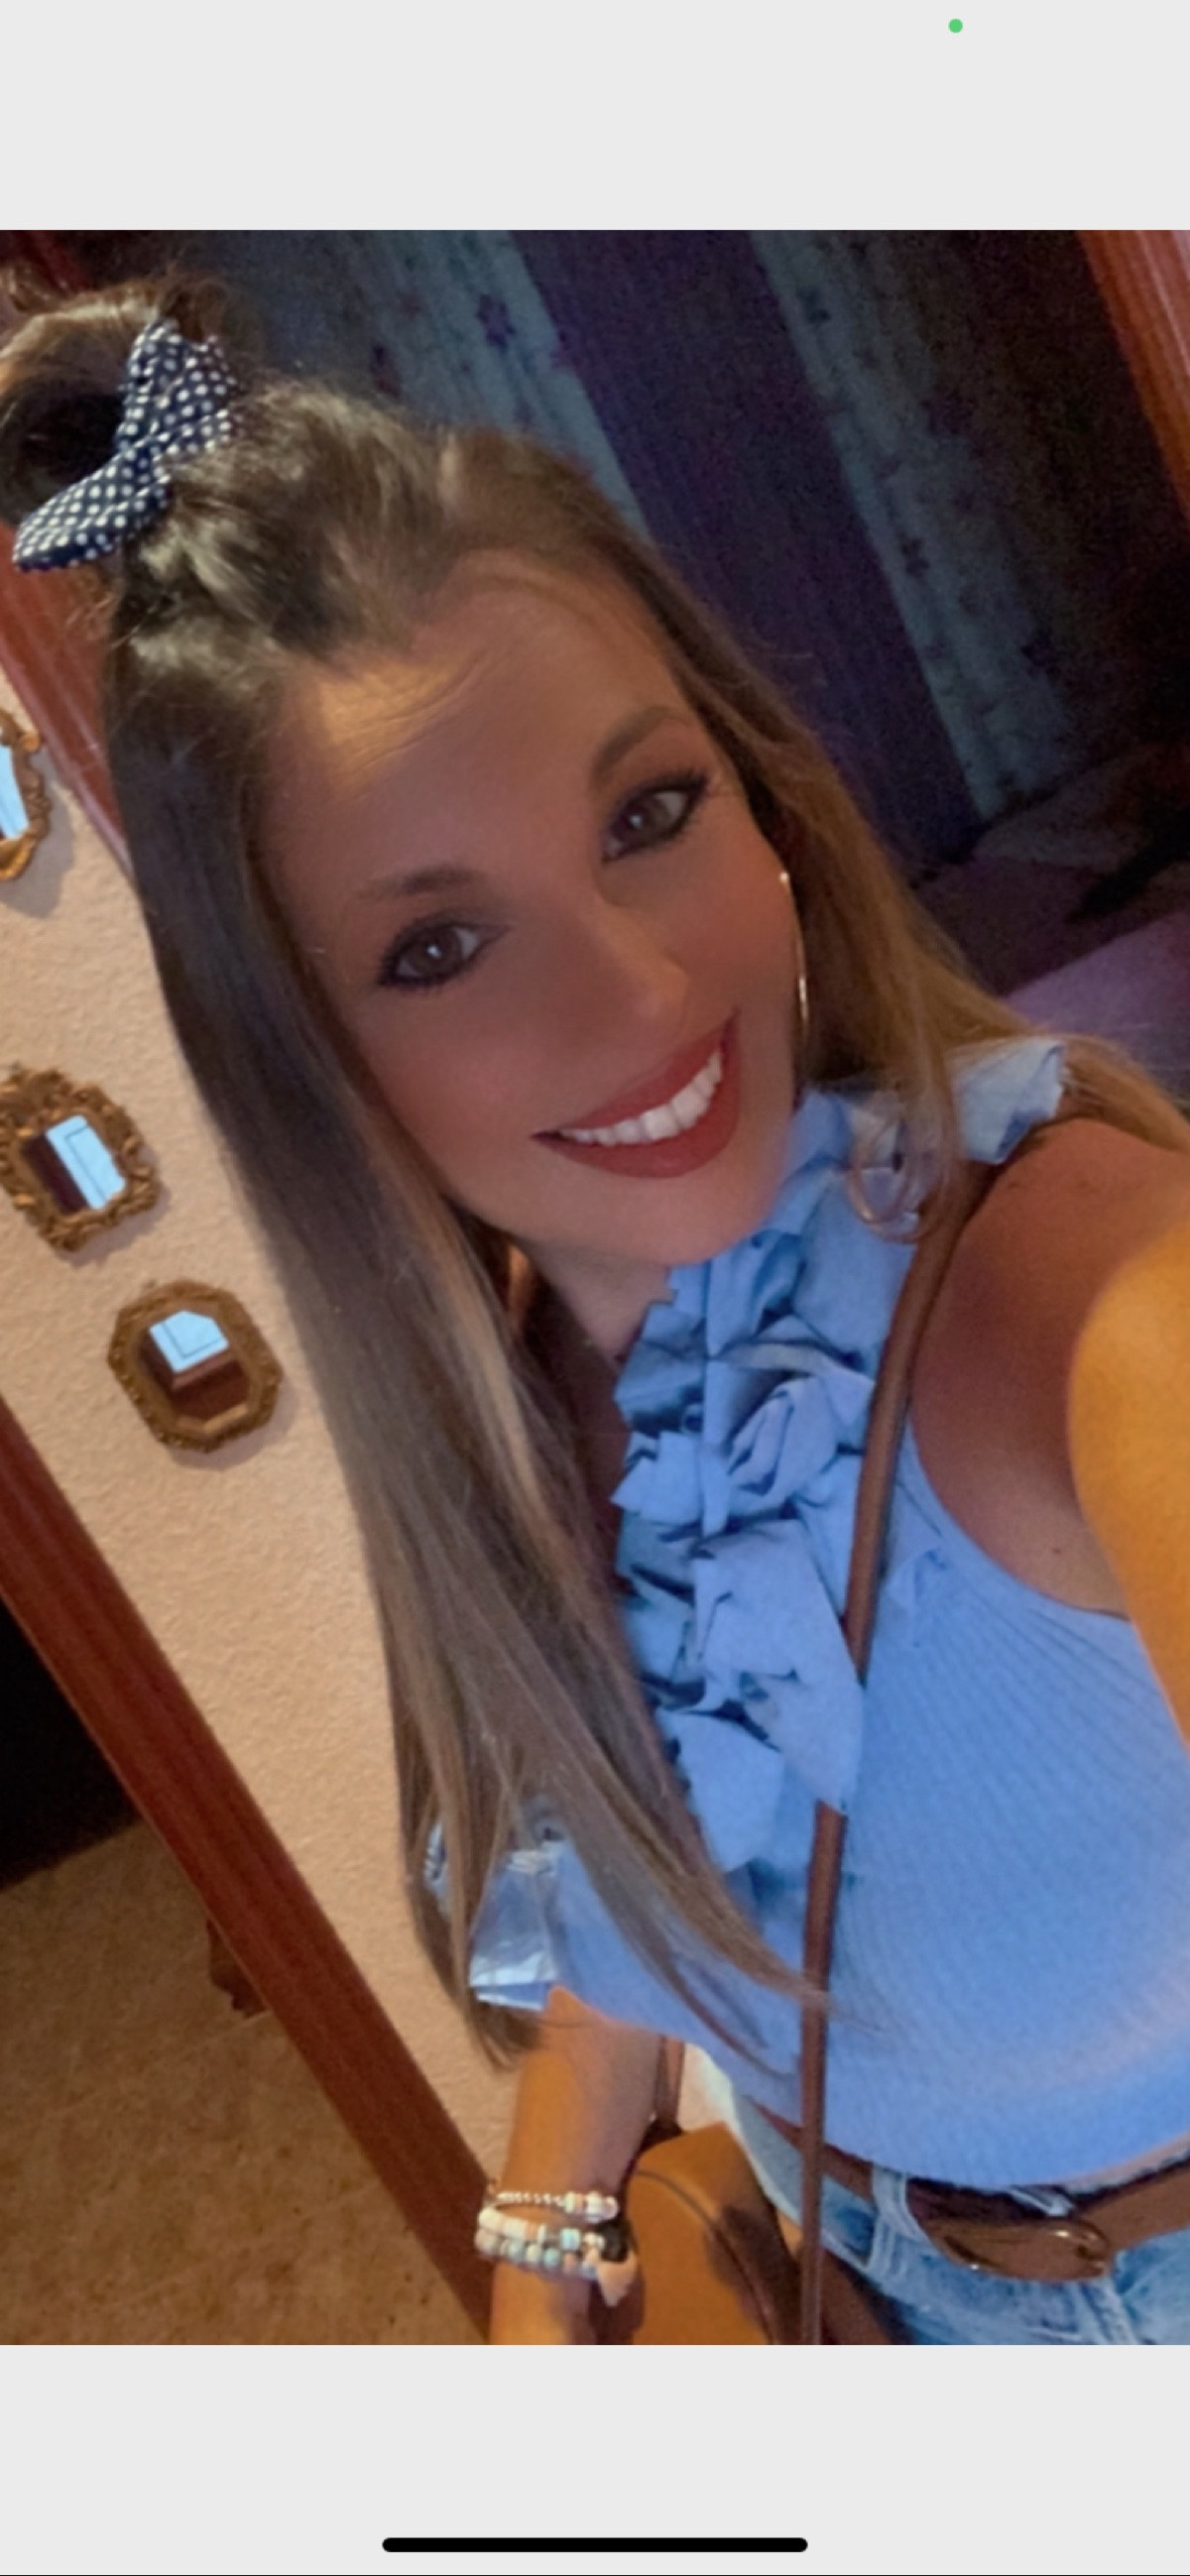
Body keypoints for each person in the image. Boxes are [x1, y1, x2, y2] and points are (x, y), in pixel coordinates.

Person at [5, 274, 1190, 2347]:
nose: (644, 994)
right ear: (308, 1058)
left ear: (763, 795)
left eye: (649, 814)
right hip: (861, 2279)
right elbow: (656, 1843)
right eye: (440, 946)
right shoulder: (519, 1384)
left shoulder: (1092, 1304)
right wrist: (547, 2231)